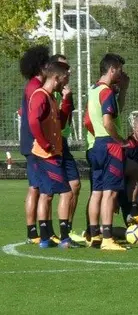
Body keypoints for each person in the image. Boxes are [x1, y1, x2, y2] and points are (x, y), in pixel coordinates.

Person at [28, 61, 77, 248]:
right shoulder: (40, 96)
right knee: (66, 193)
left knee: (46, 194)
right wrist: (45, 144)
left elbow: (62, 122)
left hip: (45, 153)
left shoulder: (51, 97)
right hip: (47, 155)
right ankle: (65, 239)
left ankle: (45, 239)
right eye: (66, 77)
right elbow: (33, 122)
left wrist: (67, 100)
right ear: (57, 77)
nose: (67, 81)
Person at [84, 53, 130, 251]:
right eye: (119, 69)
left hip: (97, 145)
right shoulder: (106, 92)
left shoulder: (94, 90)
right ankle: (108, 237)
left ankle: (94, 235)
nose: (121, 73)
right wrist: (119, 141)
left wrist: (99, 138)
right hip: (110, 145)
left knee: (97, 192)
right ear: (112, 69)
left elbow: (87, 121)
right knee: (110, 193)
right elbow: (107, 121)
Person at [48, 54, 86, 244]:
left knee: (75, 186)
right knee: (46, 192)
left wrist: (68, 99)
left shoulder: (64, 91)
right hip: (50, 144)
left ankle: (67, 229)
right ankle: (46, 232)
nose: (67, 72)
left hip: (64, 142)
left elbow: (65, 120)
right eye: (64, 69)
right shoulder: (47, 92)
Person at [19, 45, 50, 244]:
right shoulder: (34, 88)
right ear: (40, 66)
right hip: (33, 144)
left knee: (37, 187)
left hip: (32, 143)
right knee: (35, 188)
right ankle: (33, 232)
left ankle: (37, 230)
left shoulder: (33, 85)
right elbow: (33, 118)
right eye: (46, 63)